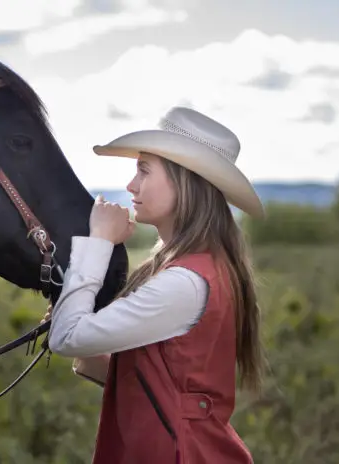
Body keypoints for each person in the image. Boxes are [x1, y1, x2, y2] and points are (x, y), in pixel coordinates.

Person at [43, 106, 266, 463]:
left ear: (185, 181)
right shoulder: (201, 268)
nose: (131, 185)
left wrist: (99, 239)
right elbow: (157, 380)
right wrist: (76, 317)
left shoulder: (185, 283)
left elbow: (67, 338)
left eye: (144, 171)